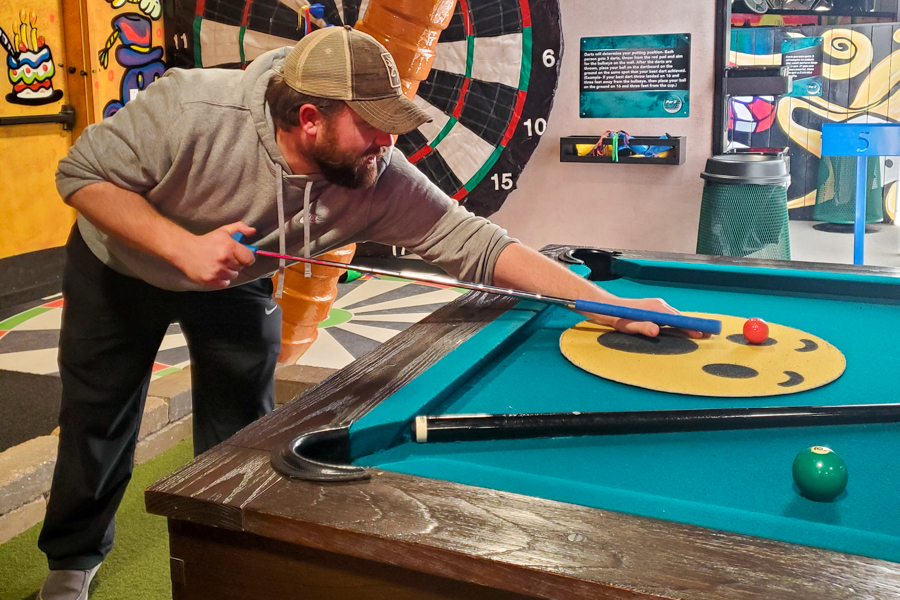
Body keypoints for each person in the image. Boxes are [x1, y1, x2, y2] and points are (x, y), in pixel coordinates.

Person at [37, 25, 694, 600]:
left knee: (242, 421)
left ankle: (225, 552)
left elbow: (479, 245)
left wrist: (606, 305)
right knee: (98, 416)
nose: (387, 140)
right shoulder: (191, 105)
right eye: (371, 123)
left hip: (232, 277)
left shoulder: (377, 175)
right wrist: (179, 247)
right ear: (309, 118)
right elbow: (83, 174)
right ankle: (71, 561)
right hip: (119, 264)